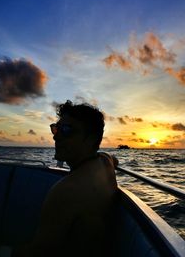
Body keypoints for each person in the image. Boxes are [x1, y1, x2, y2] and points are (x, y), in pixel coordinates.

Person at [13, 100, 118, 257]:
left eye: (67, 130)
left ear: (91, 138)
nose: (57, 137)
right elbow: (114, 159)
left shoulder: (67, 190)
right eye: (56, 129)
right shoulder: (105, 161)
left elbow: (37, 253)